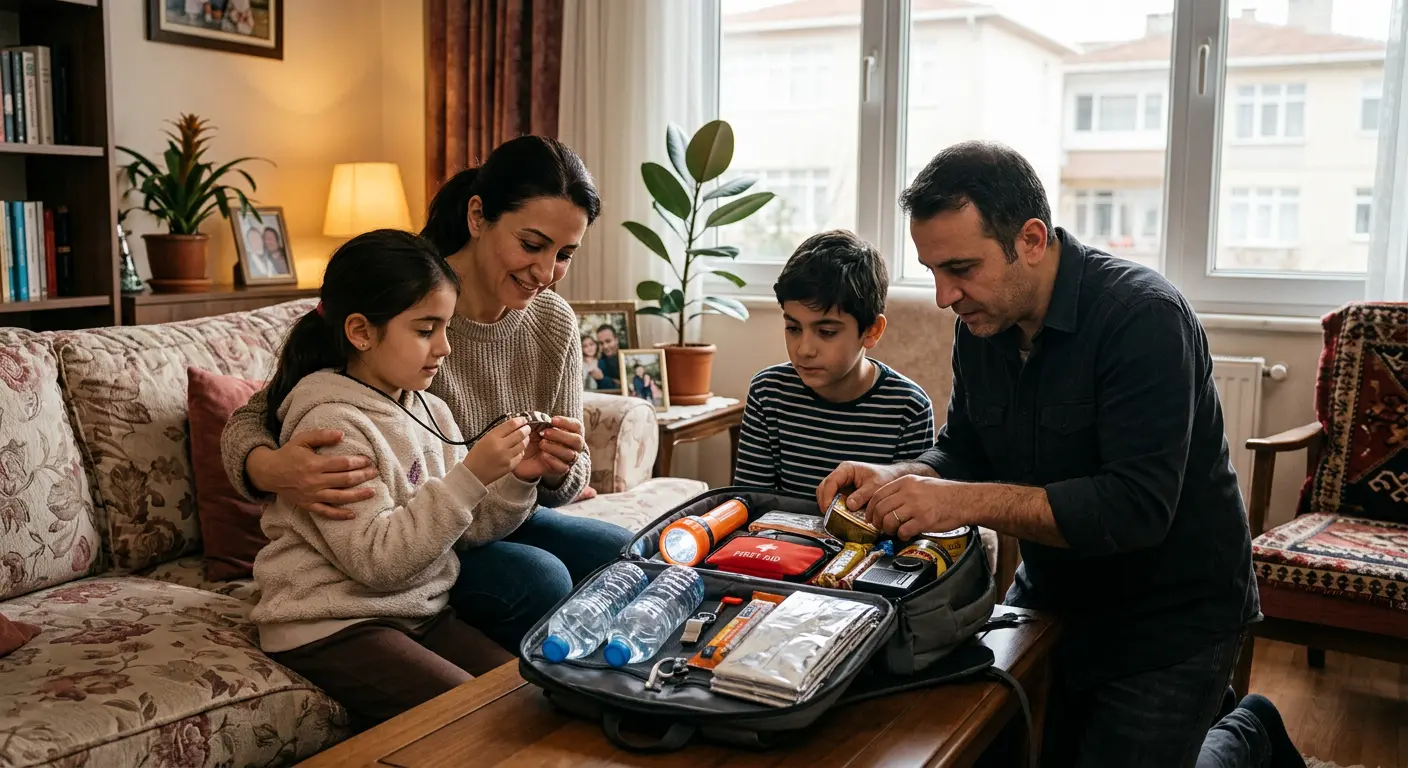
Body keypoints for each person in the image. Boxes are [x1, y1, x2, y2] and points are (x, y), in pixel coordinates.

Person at [818, 142, 1304, 768]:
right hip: (1052, 590)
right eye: (933, 270)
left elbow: (1134, 509)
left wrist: (957, 502)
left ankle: (1247, 734)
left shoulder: (1143, 317)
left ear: (1030, 239)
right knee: (1005, 747)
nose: (944, 296)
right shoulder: (983, 326)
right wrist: (899, 476)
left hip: (1169, 614)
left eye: (960, 268)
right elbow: (962, 449)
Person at [222, 135, 632, 653]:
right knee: (539, 578)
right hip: (416, 533)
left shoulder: (553, 323)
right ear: (478, 216)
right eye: (531, 245)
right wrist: (270, 468)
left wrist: (552, 465)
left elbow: (559, 486)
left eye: (564, 254)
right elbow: (259, 414)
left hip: (494, 513)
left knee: (628, 554)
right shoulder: (401, 301)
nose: (546, 273)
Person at [249, 229, 520, 727]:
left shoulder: (430, 409)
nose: (444, 347)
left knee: (523, 692)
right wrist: (471, 474)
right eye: (424, 329)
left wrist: (519, 478)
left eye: (445, 327)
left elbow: (467, 529)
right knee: (469, 719)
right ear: (361, 332)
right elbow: (379, 560)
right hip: (330, 622)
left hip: (413, 610)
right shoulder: (330, 427)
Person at [735, 229, 934, 498]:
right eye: (793, 328)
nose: (804, 350)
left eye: (826, 332)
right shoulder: (767, 393)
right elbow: (749, 501)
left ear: (872, 331)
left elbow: (903, 517)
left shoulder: (909, 407)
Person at [595, 325, 622, 390]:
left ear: (616, 340)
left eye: (608, 341)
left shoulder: (626, 358)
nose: (605, 346)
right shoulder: (598, 363)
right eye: (601, 343)